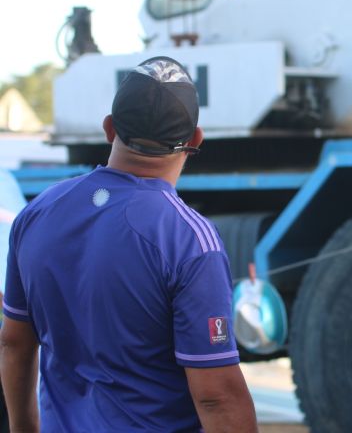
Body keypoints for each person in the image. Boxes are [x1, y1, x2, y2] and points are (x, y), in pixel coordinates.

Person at [1, 57, 256, 432]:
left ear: (109, 128)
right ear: (196, 139)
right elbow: (215, 395)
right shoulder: (188, 238)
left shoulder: (37, 214)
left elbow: (14, 343)